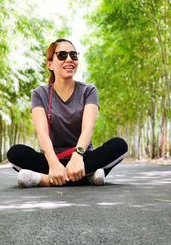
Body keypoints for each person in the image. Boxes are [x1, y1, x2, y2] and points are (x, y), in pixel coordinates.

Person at [7, 38, 128, 187]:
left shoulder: (88, 91)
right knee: (15, 153)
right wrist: (53, 163)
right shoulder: (40, 93)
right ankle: (87, 177)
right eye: (62, 55)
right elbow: (42, 132)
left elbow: (88, 128)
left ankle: (43, 179)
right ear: (50, 64)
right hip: (51, 158)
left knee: (119, 145)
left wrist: (77, 156)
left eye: (73, 55)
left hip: (83, 158)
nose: (69, 59)